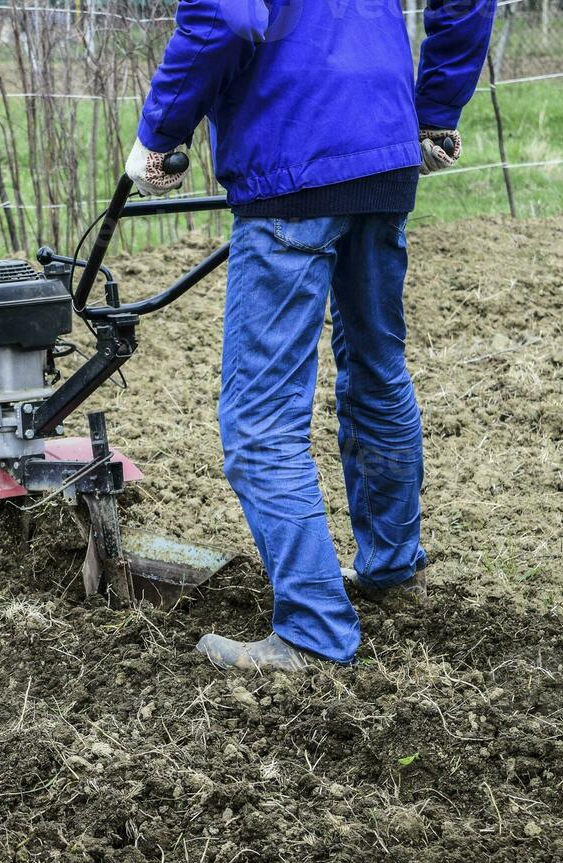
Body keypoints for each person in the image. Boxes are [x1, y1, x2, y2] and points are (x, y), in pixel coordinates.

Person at [125, 0, 495, 670]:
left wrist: (159, 134)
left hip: (291, 149)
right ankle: (392, 571)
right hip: (385, 147)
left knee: (260, 422)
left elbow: (229, 19)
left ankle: (314, 632)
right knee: (377, 367)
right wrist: (435, 106)